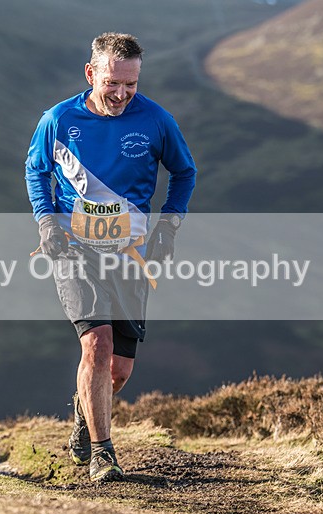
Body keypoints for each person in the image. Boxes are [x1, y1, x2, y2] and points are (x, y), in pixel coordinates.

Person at [25, 33, 196, 482]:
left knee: (118, 370)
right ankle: (103, 453)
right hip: (73, 247)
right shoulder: (59, 119)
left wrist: (169, 225)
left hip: (130, 253)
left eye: (131, 84)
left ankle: (86, 416)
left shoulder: (156, 121)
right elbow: (36, 170)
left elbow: (184, 172)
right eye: (112, 82)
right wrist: (46, 222)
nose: (121, 93)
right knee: (96, 344)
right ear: (91, 74)